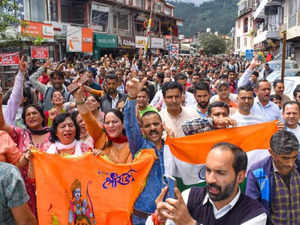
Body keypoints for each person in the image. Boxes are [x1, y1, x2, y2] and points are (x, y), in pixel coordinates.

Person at [147, 142, 267, 225]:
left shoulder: (255, 215)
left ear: (240, 177)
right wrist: (160, 220)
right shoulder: (189, 197)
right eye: (208, 170)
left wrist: (189, 223)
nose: (210, 179)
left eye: (220, 173)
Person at [124, 77, 165, 225]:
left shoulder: (173, 148)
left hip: (168, 216)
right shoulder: (139, 146)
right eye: (148, 126)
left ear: (162, 126)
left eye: (156, 124)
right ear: (142, 129)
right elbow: (129, 124)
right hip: (141, 216)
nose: (152, 128)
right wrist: (132, 98)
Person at [0, 100, 51, 216]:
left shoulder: (54, 134)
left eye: (34, 113)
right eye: (28, 114)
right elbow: (2, 125)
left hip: (48, 185)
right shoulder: (20, 134)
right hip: (26, 188)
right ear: (24, 120)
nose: (31, 116)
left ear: (42, 117)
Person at [246, 130, 300, 225]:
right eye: (285, 158)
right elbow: (253, 211)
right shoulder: (257, 173)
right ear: (271, 153)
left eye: (294, 157)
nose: (291, 164)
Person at [74, 86, 132, 163]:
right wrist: (78, 99)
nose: (111, 126)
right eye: (107, 123)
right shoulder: (100, 136)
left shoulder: (132, 144)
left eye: (115, 122)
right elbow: (87, 118)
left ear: (123, 124)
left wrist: (105, 157)